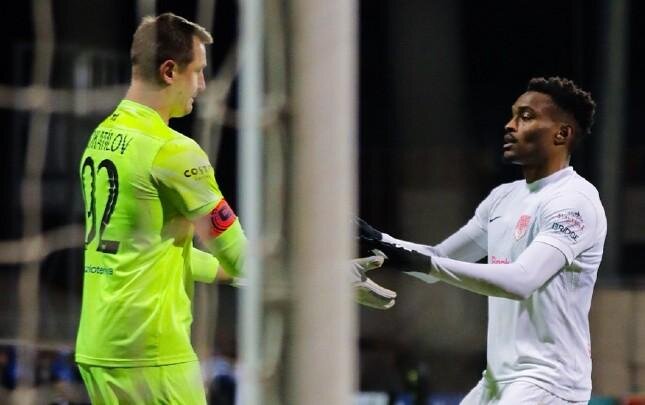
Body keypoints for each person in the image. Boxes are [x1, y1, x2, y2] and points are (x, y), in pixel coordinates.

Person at [76, 12, 395, 404]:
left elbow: (158, 253)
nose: (202, 85)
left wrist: (237, 277)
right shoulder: (172, 150)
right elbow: (241, 257)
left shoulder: (103, 136)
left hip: (98, 347)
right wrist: (325, 277)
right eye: (198, 72)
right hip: (152, 356)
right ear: (170, 71)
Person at [359, 77, 605, 404]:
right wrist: (374, 239)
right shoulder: (503, 197)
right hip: (497, 380)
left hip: (549, 382)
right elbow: (438, 257)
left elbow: (521, 281)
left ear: (561, 134)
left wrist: (423, 263)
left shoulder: (574, 200)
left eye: (526, 117)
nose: (510, 125)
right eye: (512, 115)